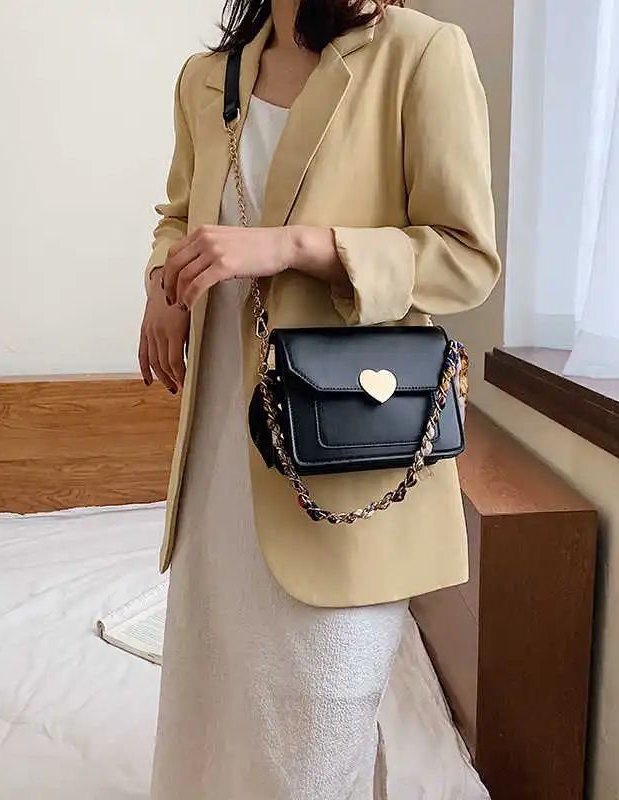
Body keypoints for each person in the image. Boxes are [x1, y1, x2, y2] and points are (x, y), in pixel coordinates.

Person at [139, 1, 500, 797]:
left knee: (317, 724)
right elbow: (179, 218)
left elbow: (466, 258)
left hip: (345, 454)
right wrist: (163, 286)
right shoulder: (209, 78)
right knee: (218, 707)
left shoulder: (420, 53)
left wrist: (298, 246)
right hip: (221, 461)